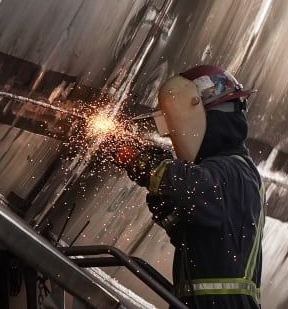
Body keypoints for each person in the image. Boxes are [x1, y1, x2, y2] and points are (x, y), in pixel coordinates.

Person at [111, 65, 265, 308]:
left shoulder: (233, 172)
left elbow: (187, 186)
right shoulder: (230, 172)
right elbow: (194, 217)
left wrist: (139, 159)